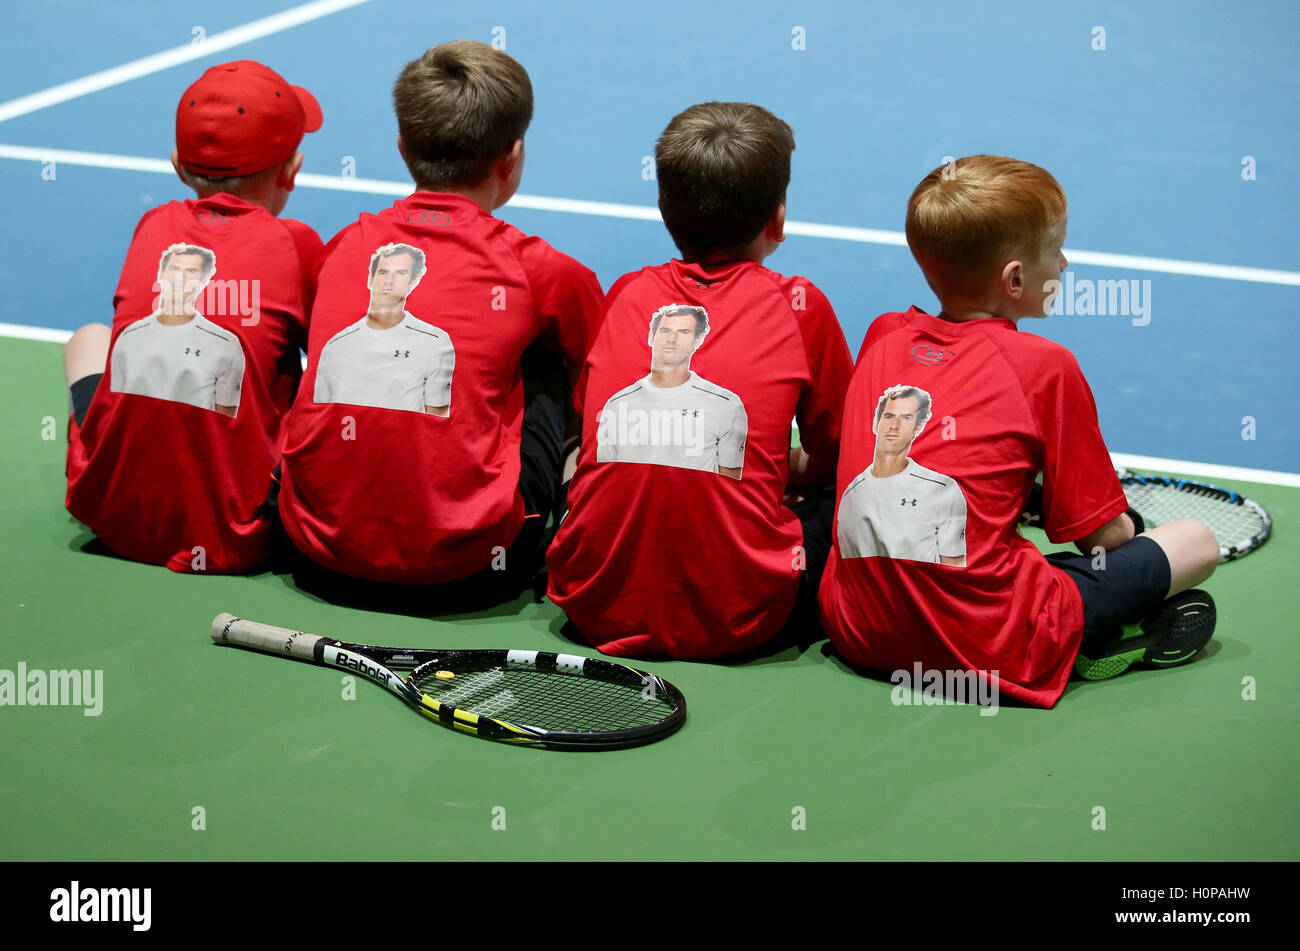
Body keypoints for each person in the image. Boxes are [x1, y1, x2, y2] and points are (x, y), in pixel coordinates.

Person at [819, 155, 1220, 707]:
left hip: (859, 631)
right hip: (985, 645)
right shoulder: (1045, 366)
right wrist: (1131, 525)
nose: (1065, 261)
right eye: (1055, 250)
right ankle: (1093, 638)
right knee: (1196, 542)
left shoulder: (883, 336)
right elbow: (1105, 540)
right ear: (1014, 279)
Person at [277, 40, 602, 598]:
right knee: (547, 352)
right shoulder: (541, 269)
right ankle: (581, 502)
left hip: (315, 551)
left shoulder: (345, 247)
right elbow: (606, 370)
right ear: (513, 157)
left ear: (403, 147)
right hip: (473, 569)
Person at [547, 101, 854, 659]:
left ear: (664, 209)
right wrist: (784, 470)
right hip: (743, 619)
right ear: (778, 220)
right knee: (857, 492)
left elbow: (591, 421)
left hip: (590, 604)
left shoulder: (626, 294)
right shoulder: (801, 309)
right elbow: (843, 454)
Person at [63, 60, 324, 572]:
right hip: (242, 535)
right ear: (292, 171)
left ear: (179, 165)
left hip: (113, 517)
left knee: (88, 338)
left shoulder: (153, 224)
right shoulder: (295, 245)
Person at [596, 304, 747, 478]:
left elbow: (730, 488)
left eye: (683, 332)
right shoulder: (617, 404)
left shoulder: (726, 405)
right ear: (652, 337)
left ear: (697, 340)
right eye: (665, 330)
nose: (672, 339)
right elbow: (607, 481)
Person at [314, 243, 456, 415]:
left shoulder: (434, 342)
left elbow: (438, 422)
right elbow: (321, 417)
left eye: (401, 273)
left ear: (414, 281)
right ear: (370, 279)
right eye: (383, 272)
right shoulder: (335, 346)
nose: (389, 281)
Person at [837, 384, 967, 564]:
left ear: (918, 426)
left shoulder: (943, 490)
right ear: (876, 423)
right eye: (889, 416)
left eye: (906, 418)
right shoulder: (851, 493)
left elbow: (954, 570)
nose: (894, 426)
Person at [110, 243, 246, 416]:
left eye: (191, 271)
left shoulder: (225, 345)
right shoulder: (129, 338)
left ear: (204, 280)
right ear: (161, 273)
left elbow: (224, 425)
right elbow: (116, 410)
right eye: (174, 268)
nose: (179, 278)